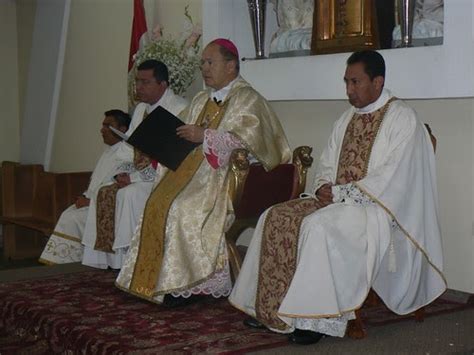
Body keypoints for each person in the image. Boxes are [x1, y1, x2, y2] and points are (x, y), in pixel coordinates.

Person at [229, 50, 447, 345]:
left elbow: (393, 178)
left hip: (378, 209)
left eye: (356, 82)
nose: (349, 90)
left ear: (378, 81)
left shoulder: (402, 118)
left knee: (318, 227)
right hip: (336, 200)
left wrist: (342, 193)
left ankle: (313, 320)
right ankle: (268, 307)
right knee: (273, 215)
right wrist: (323, 186)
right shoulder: (346, 118)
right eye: (346, 82)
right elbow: (328, 162)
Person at [115, 38, 291, 305]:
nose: (204, 69)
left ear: (231, 65)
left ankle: (190, 285)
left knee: (182, 208)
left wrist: (205, 136)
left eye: (210, 63)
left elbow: (253, 144)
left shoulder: (248, 99)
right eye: (202, 64)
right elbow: (180, 132)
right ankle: (158, 280)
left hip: (223, 179)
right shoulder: (200, 99)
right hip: (193, 175)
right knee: (157, 201)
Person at [81, 60, 188, 269]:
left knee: (129, 195)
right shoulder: (140, 109)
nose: (138, 87)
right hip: (141, 173)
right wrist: (120, 174)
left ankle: (134, 262)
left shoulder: (180, 108)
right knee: (105, 191)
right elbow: (132, 149)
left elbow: (174, 155)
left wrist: (135, 178)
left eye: (145, 82)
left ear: (163, 84)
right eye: (137, 81)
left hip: (166, 178)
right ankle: (113, 261)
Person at [39, 110, 131, 265]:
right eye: (103, 125)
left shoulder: (127, 155)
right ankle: (69, 262)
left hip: (107, 208)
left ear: (122, 130)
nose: (102, 130)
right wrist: (84, 196)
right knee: (68, 214)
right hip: (93, 202)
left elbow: (118, 187)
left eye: (108, 126)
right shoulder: (108, 152)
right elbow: (96, 182)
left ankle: (65, 264)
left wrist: (91, 203)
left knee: (72, 219)